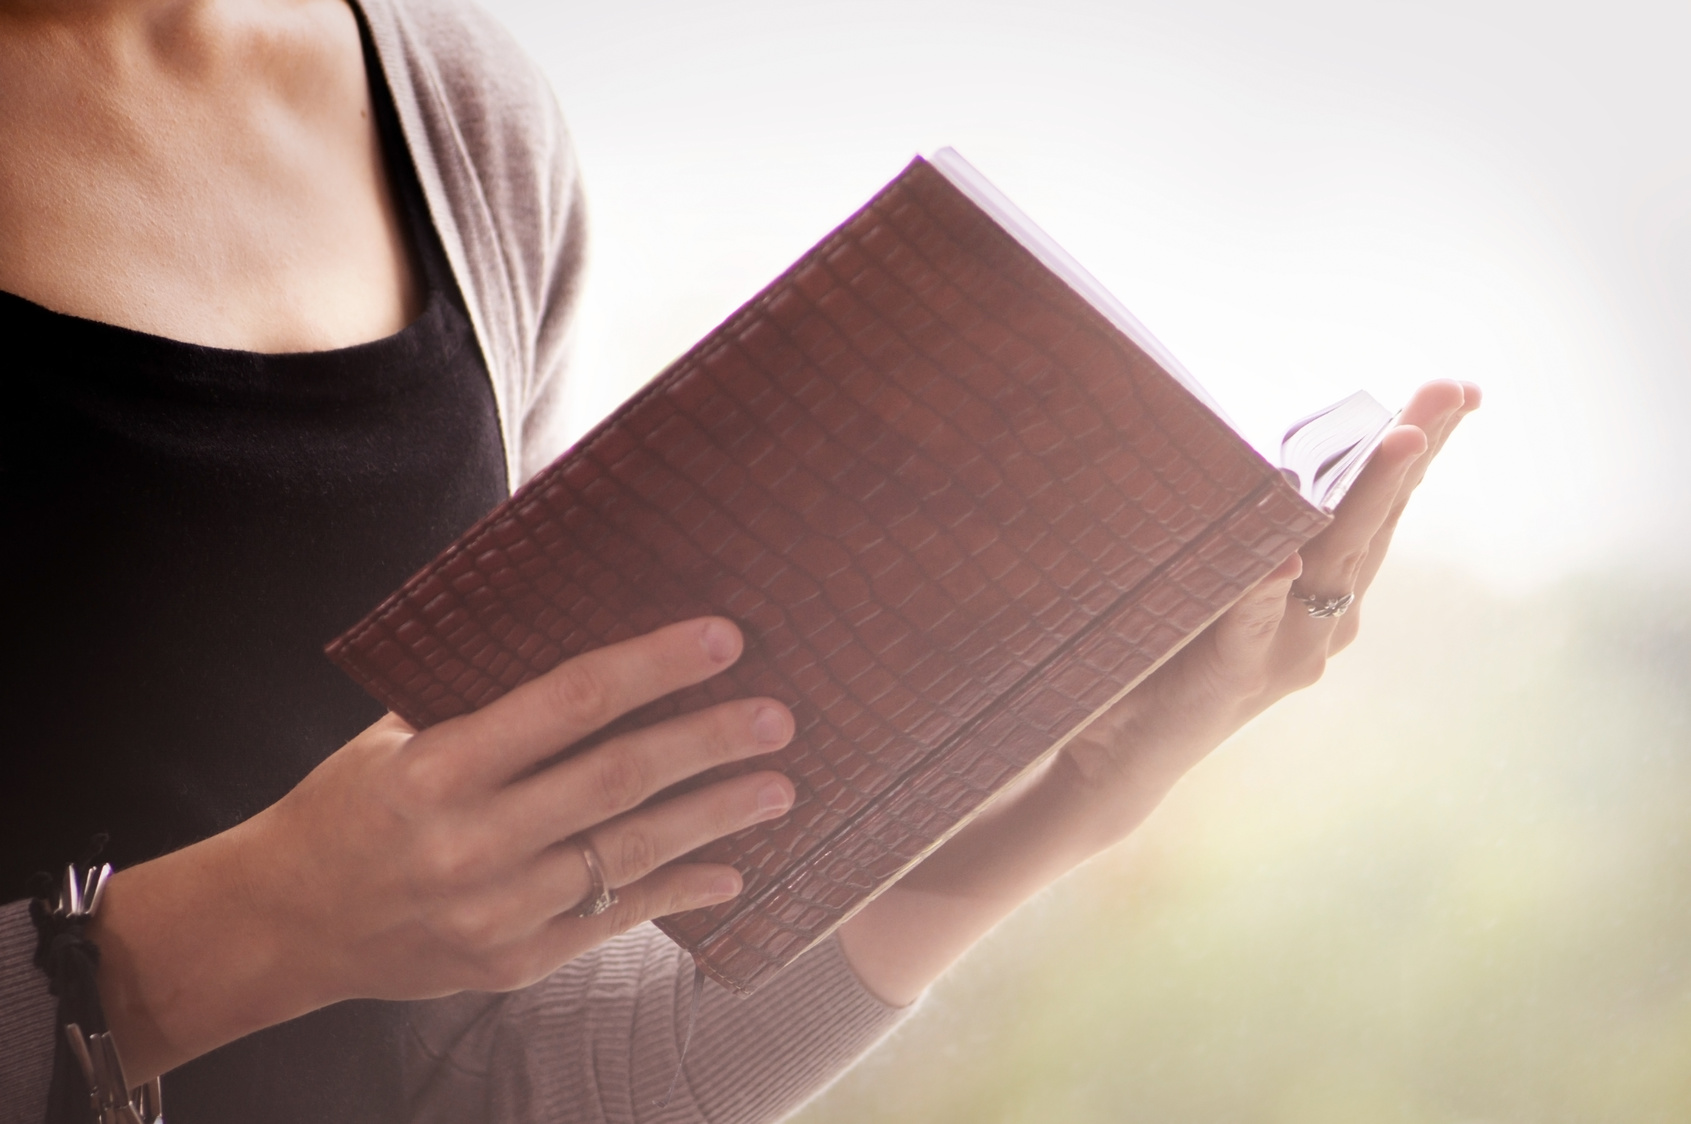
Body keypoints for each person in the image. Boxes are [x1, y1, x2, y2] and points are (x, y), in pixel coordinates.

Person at [0, 0, 1480, 1119]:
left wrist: (1081, 790)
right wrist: (227, 937)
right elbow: (317, 944)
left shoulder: (465, 125)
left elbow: (473, 1068)